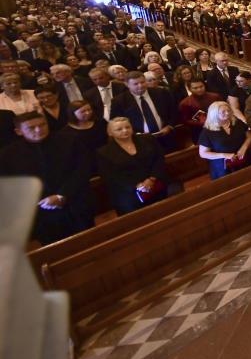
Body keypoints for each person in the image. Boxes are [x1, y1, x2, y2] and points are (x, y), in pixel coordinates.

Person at [0, 112, 95, 244]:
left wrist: (61, 195)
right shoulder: (7, 155)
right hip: (40, 212)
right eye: (31, 128)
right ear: (19, 131)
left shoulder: (70, 140)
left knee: (90, 241)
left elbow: (82, 169)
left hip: (75, 202)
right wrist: (43, 201)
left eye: (42, 124)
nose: (39, 130)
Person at [96, 117, 169, 215]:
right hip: (128, 196)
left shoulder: (147, 139)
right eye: (119, 129)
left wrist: (151, 179)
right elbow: (110, 176)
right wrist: (137, 185)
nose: (125, 130)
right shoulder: (104, 152)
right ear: (110, 133)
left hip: (156, 186)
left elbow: (159, 159)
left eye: (127, 127)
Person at [110, 70, 177, 153]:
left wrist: (169, 126)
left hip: (166, 137)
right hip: (139, 142)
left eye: (142, 82)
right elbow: (115, 122)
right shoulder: (119, 101)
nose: (140, 86)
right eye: (136, 84)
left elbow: (173, 111)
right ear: (127, 85)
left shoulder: (161, 93)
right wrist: (135, 134)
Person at [198, 101, 251, 179]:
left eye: (228, 110)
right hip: (223, 167)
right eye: (223, 112)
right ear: (214, 114)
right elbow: (203, 153)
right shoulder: (207, 131)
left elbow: (249, 136)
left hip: (243, 159)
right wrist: (224, 155)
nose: (227, 113)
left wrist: (244, 148)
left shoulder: (236, 122)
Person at [178, 79, 221, 144]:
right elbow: (185, 121)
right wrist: (203, 123)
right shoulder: (185, 103)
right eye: (195, 88)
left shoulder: (215, 97)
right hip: (199, 131)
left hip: (219, 127)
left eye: (201, 86)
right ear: (189, 89)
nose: (199, 89)